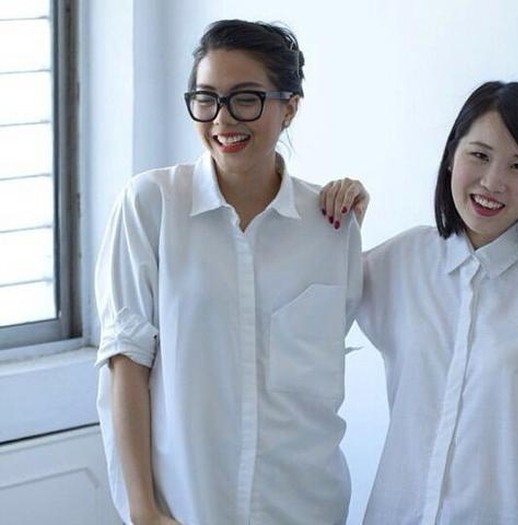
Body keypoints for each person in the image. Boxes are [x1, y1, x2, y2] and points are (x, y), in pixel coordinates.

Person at [95, 20, 361, 525]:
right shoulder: (151, 205)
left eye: (246, 99)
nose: (222, 119)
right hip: (187, 510)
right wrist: (143, 510)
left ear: (290, 107)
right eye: (207, 98)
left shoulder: (331, 224)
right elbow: (125, 363)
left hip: (307, 507)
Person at [321, 81, 518, 524]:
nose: (493, 182)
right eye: (479, 155)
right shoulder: (404, 259)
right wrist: (338, 234)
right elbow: (307, 327)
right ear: (451, 156)